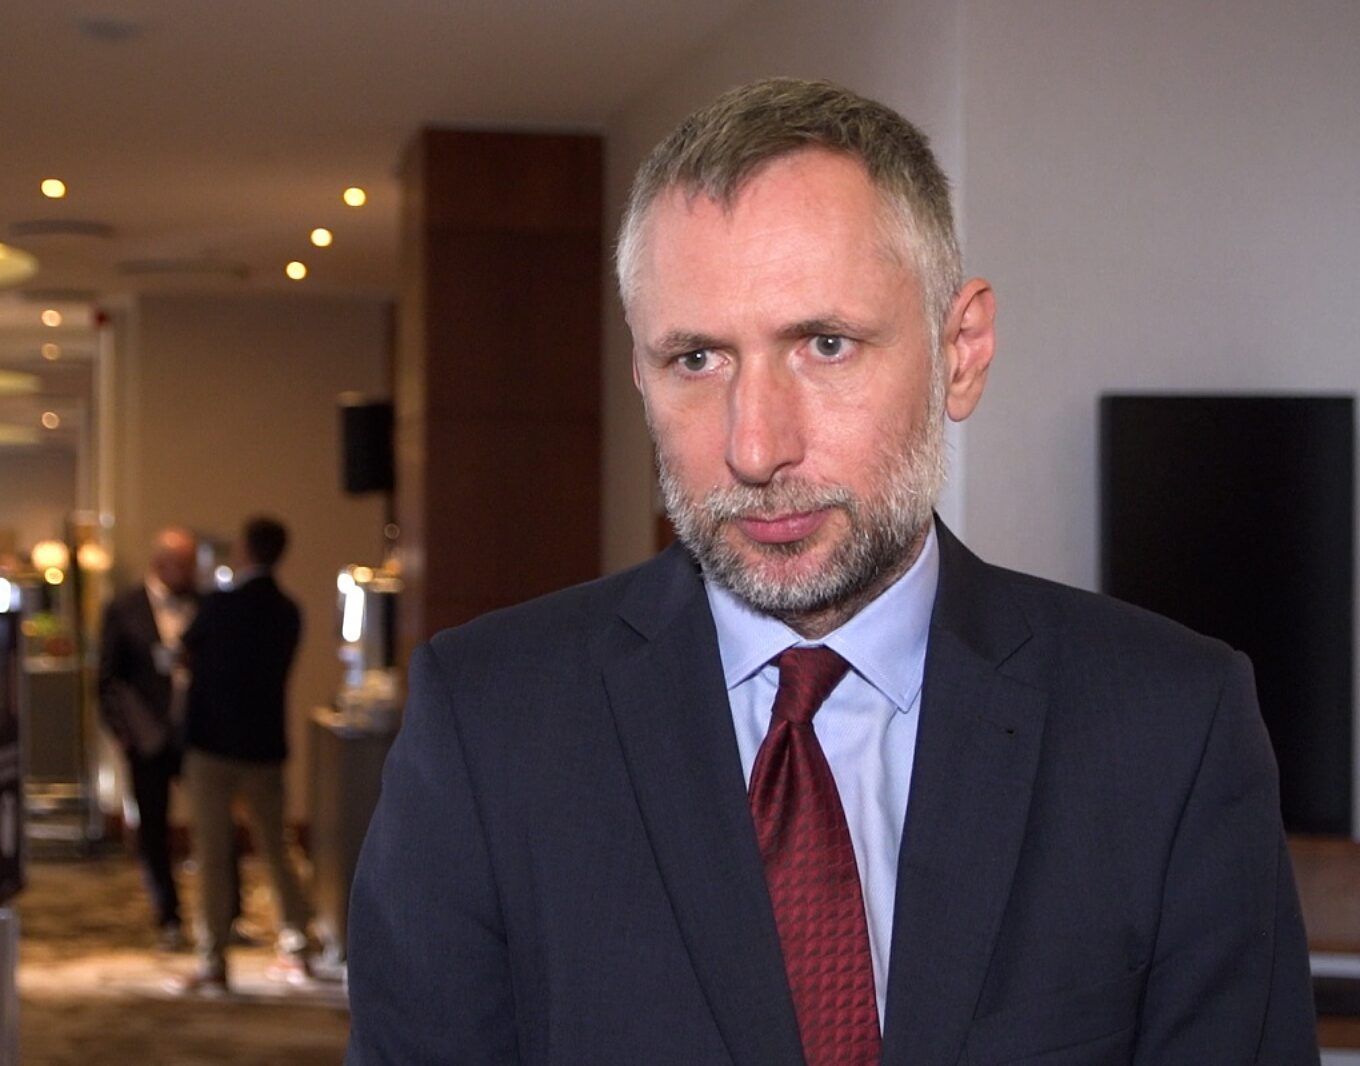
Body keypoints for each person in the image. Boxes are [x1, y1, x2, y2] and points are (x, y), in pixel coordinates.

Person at [345, 78, 1318, 1064]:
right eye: (696, 359)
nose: (755, 447)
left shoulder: (1169, 726)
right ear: (641, 373)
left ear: (960, 353)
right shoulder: (489, 723)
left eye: (825, 345)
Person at [173, 516, 313, 995]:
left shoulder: (220, 604)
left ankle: (213, 959)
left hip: (212, 746)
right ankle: (298, 943)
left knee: (213, 855)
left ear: (246, 549)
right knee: (277, 849)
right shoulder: (288, 611)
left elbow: (185, 653)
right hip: (264, 746)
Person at [98, 527, 199, 951]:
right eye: (182, 564)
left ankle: (226, 915)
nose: (190, 572)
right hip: (147, 737)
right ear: (160, 564)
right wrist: (124, 734)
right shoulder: (124, 608)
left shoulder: (205, 605)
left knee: (215, 825)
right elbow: (107, 678)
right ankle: (168, 916)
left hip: (198, 734)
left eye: (192, 564)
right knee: (153, 829)